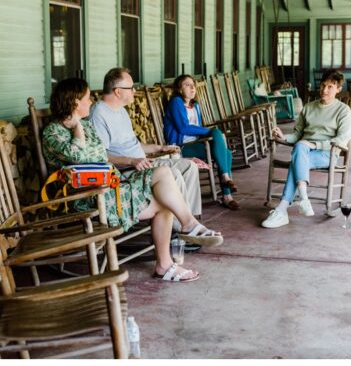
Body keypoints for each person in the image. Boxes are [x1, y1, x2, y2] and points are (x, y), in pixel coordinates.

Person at [42, 77, 224, 282]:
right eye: (86, 98)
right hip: (88, 197)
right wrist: (77, 129)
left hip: (111, 187)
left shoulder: (87, 126)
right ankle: (175, 247)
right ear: (75, 102)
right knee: (163, 195)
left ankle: (179, 240)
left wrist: (81, 130)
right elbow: (77, 157)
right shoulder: (52, 132)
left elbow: (99, 155)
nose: (91, 102)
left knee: (163, 178)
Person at [89, 68, 205, 227]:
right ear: (117, 91)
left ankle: (189, 221)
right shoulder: (98, 113)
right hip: (126, 170)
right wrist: (131, 161)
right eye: (130, 88)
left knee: (189, 166)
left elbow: (134, 145)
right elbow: (100, 155)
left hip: (143, 163)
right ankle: (180, 230)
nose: (134, 91)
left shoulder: (121, 111)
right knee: (175, 174)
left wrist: (160, 148)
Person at [262, 70, 351, 229]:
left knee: (297, 157)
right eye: (323, 85)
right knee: (300, 150)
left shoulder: (343, 111)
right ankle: (300, 201)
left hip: (328, 153)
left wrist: (315, 145)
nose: (324, 90)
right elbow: (297, 134)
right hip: (303, 150)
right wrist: (283, 137)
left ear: (338, 89)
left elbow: (342, 140)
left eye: (330, 87)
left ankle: (285, 208)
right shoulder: (309, 107)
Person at [163, 74, 240, 210]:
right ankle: (226, 193)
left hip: (197, 143)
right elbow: (183, 128)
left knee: (225, 149)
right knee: (219, 140)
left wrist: (211, 133)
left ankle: (225, 182)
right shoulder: (176, 102)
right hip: (181, 147)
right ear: (179, 89)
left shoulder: (195, 105)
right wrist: (209, 131)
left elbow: (198, 129)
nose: (192, 87)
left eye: (193, 85)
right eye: (187, 85)